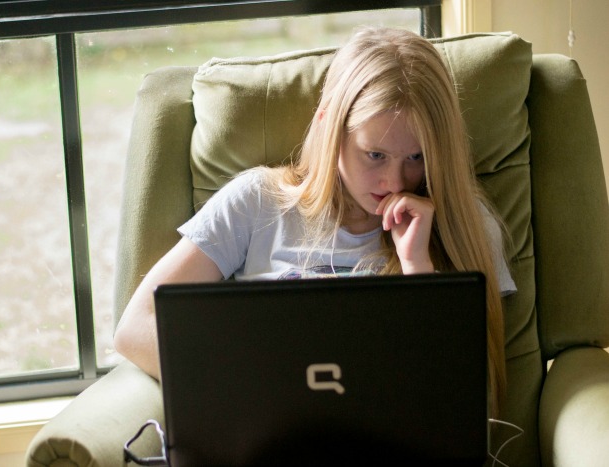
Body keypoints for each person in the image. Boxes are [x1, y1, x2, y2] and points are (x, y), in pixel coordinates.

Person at [114, 26, 516, 417]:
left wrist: (418, 272)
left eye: (416, 157)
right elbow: (136, 329)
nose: (395, 182)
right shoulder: (257, 202)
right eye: (375, 155)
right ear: (329, 127)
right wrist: (254, 389)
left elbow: (468, 397)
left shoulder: (466, 224)